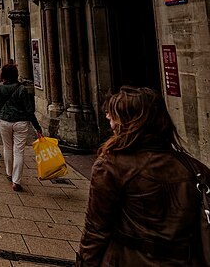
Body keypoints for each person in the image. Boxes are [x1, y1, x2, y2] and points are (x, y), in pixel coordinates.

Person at [77, 86, 209, 266]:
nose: (108, 116)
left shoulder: (111, 166)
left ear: (129, 121)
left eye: (114, 113)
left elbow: (96, 231)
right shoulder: (195, 169)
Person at [0, 63, 42, 191]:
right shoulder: (21, 89)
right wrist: (37, 127)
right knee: (19, 151)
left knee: (7, 148)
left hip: (4, 121)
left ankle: (9, 173)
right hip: (21, 122)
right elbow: (29, 110)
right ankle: (16, 181)